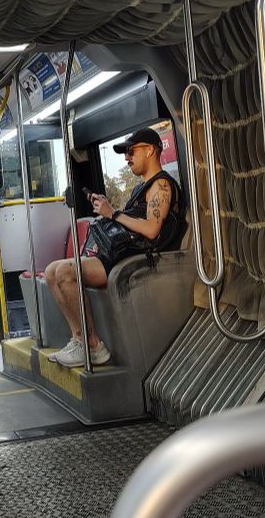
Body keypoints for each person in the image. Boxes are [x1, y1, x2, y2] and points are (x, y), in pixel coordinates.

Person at [44, 128, 181, 369]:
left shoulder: (161, 185)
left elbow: (151, 230)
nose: (127, 157)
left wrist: (113, 213)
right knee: (51, 271)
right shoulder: (142, 188)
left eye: (131, 151)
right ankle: (79, 339)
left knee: (65, 272)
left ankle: (93, 346)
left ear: (150, 150)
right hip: (119, 253)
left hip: (132, 260)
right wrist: (110, 209)